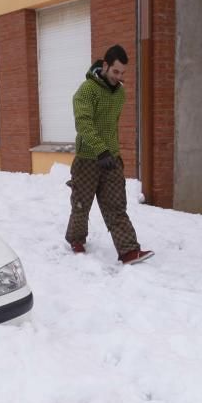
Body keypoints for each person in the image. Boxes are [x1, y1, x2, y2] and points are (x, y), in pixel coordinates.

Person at [65, 44, 153, 265]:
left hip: (111, 158)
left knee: (116, 205)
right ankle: (76, 239)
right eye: (115, 72)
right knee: (81, 204)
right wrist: (100, 149)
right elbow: (83, 124)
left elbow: (110, 126)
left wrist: (111, 152)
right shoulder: (86, 91)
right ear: (104, 66)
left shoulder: (119, 93)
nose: (119, 77)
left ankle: (128, 251)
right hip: (87, 159)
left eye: (123, 73)